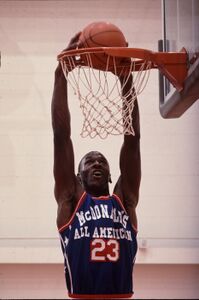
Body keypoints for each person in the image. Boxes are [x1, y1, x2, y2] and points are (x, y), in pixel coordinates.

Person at [51, 32, 141, 299]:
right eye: (89, 161)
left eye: (102, 160)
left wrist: (126, 81)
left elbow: (133, 141)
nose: (97, 163)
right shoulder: (71, 200)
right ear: (77, 177)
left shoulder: (125, 201)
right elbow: (60, 136)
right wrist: (60, 75)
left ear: (111, 174)